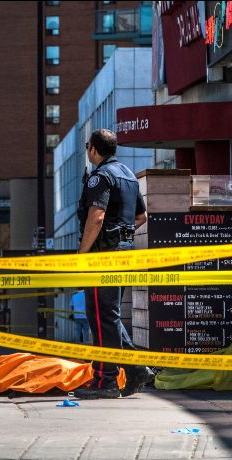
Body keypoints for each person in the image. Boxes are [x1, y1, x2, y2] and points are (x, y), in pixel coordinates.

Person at [75, 128, 153, 400]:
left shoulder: (101, 177)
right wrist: (121, 233)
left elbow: (96, 217)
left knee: (100, 317)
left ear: (93, 149)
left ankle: (105, 380)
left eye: (87, 146)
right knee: (110, 315)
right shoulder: (128, 175)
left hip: (102, 256)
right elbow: (142, 216)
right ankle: (136, 368)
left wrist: (83, 253)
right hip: (123, 252)